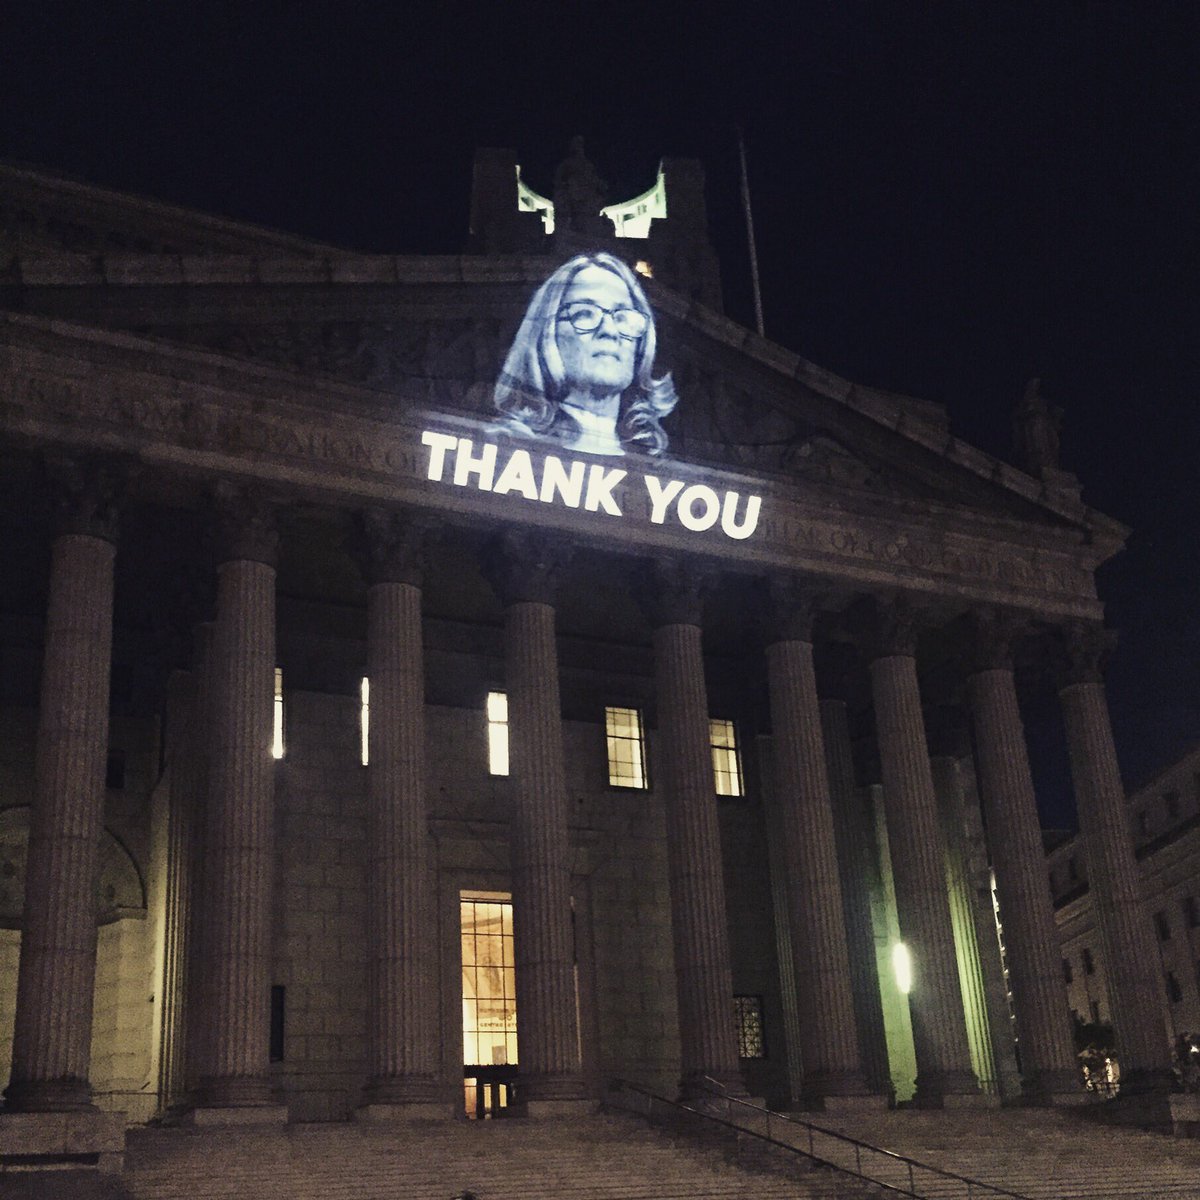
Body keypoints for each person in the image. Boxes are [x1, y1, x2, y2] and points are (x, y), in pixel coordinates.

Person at [493, 252, 678, 456]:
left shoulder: (660, 464)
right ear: (547, 331)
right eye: (584, 313)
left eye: (623, 317)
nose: (609, 331)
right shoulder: (498, 449)